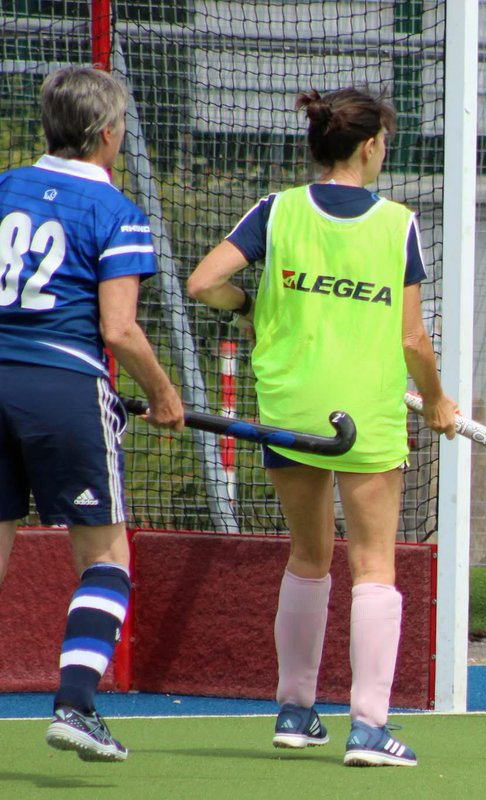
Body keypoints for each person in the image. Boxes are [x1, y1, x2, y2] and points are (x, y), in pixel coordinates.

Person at [187, 87, 457, 768]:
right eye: (386, 142)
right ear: (369, 146)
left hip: (292, 409)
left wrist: (250, 304)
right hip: (363, 415)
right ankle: (368, 728)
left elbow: (202, 283)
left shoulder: (275, 212)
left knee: (308, 558)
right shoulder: (398, 223)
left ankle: (295, 710)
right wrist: (440, 401)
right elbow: (414, 342)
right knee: (373, 564)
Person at [0, 66, 185, 761]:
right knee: (106, 555)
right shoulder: (116, 212)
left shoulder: (5, 187)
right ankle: (76, 704)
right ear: (108, 134)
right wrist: (165, 394)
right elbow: (119, 331)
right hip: (63, 386)